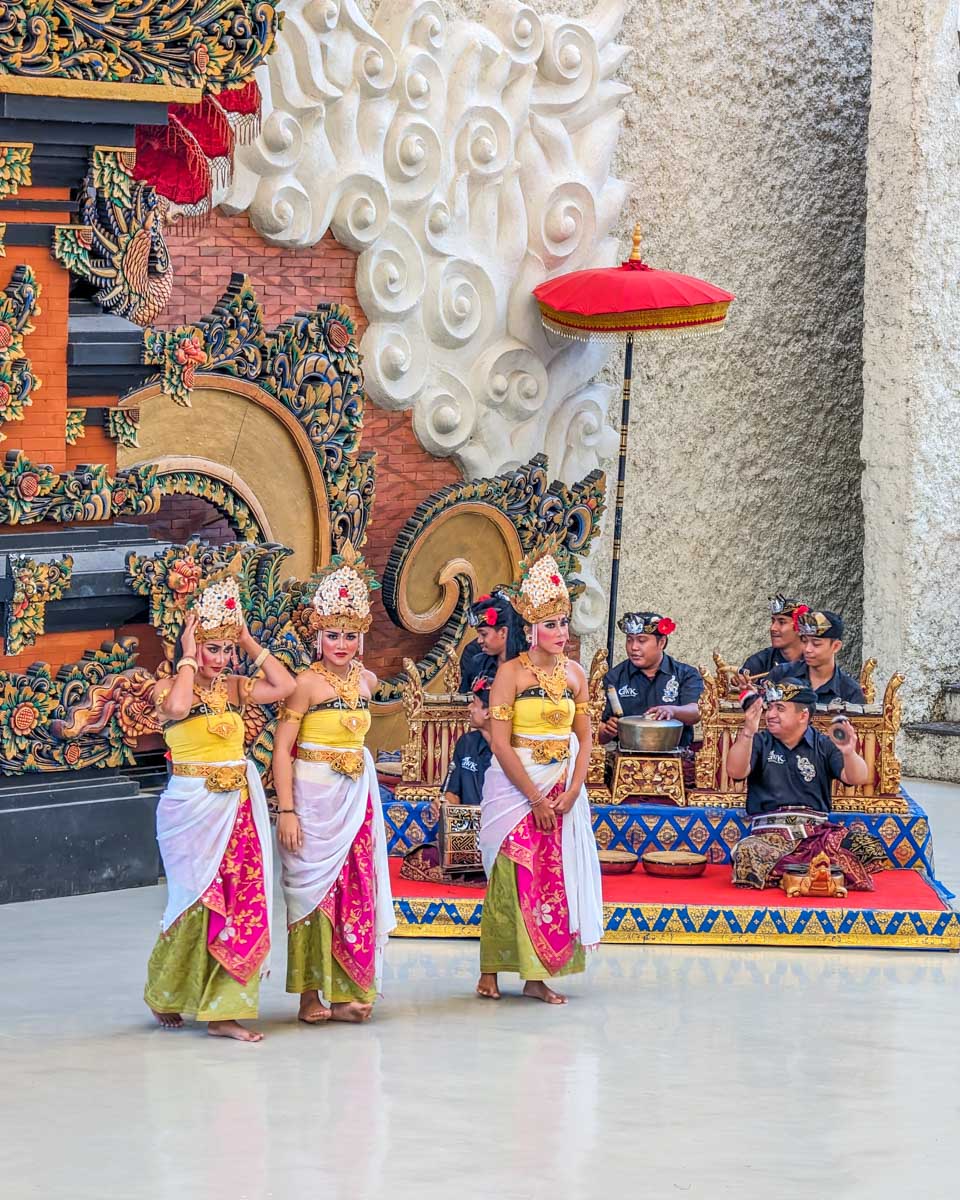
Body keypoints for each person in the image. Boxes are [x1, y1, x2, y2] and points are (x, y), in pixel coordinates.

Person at [144, 555, 295, 1042]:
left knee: (240, 900)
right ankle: (170, 993)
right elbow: (179, 707)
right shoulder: (168, 685)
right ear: (193, 647)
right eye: (215, 648)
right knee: (195, 899)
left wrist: (247, 640)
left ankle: (224, 1010)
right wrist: (187, 655)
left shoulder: (234, 686)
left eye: (226, 650)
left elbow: (285, 686)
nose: (222, 659)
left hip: (237, 807)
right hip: (192, 808)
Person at [273, 542, 395, 1024]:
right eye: (332, 635)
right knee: (310, 891)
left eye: (348, 635)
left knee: (354, 890)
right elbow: (282, 749)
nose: (340, 644)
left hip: (354, 800)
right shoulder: (304, 684)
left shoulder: (365, 683)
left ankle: (348, 991)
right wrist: (287, 810)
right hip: (312, 799)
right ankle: (308, 997)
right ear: (318, 635)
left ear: (360, 637)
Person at [477, 543, 603, 1005]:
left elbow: (585, 737)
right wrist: (534, 797)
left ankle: (535, 975)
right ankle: (491, 967)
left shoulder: (575, 674)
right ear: (531, 629)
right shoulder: (509, 673)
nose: (560, 632)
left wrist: (572, 791)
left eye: (564, 623)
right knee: (512, 876)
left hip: (561, 787)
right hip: (516, 789)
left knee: (551, 877)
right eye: (550, 624)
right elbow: (500, 741)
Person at [727, 678, 880, 889]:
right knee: (748, 851)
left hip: (816, 834)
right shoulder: (760, 741)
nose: (770, 715)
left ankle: (794, 873)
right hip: (770, 836)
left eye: (780, 709)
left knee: (866, 846)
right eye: (769, 708)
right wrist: (747, 732)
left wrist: (849, 752)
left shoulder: (822, 744)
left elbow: (856, 778)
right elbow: (735, 771)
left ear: (803, 715)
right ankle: (815, 872)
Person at [599, 611, 703, 748]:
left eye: (641, 640)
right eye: (629, 640)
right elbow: (595, 728)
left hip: (676, 758)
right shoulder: (614, 678)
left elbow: (696, 712)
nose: (633, 647)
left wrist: (672, 711)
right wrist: (607, 731)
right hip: (628, 760)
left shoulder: (686, 675)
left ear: (661, 642)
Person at [428, 675, 493, 824]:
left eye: (474, 704)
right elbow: (453, 792)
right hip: (467, 829)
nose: (469, 708)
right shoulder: (466, 743)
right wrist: (445, 804)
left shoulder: (513, 749)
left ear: (488, 712)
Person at [767, 609, 865, 704]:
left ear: (836, 646)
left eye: (816, 644)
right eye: (804, 641)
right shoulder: (781, 674)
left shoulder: (850, 692)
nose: (807, 649)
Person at [733, 593, 808, 686]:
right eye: (773, 621)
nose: (773, 628)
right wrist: (741, 679)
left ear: (801, 628)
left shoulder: (817, 661)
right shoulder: (759, 662)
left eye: (781, 622)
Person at [459, 591, 526, 693]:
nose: (479, 640)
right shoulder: (476, 663)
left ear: (503, 632)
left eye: (484, 634)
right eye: (479, 634)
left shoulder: (528, 663)